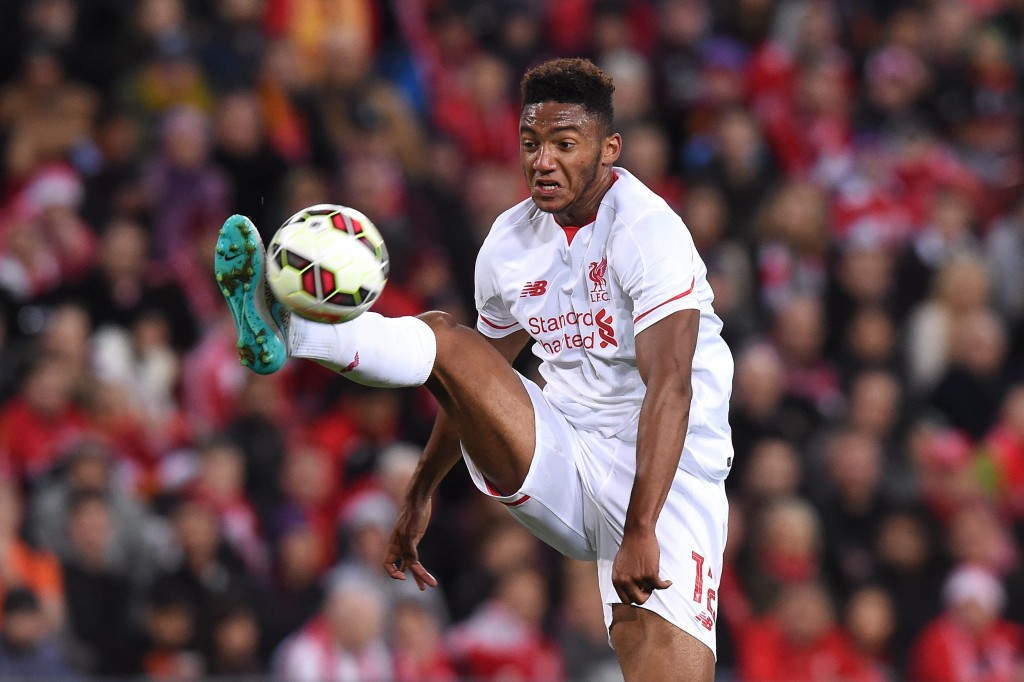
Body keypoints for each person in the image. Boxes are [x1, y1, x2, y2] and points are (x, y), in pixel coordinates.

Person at [215, 57, 734, 680]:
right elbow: (467, 381)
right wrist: (419, 493)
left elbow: (670, 390)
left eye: (565, 144)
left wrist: (641, 527)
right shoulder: (510, 243)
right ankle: (291, 328)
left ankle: (296, 325)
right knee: (447, 339)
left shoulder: (649, 231)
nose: (543, 160)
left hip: (669, 476)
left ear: (608, 148)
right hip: (565, 452)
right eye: (530, 143)